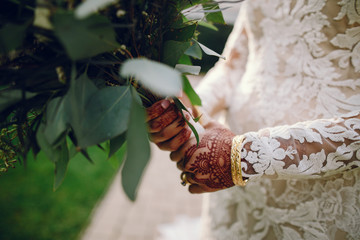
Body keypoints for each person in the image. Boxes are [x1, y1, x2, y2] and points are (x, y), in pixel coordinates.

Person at [147, 0, 360, 239]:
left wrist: (245, 155)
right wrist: (188, 115)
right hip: (233, 187)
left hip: (325, 194)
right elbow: (233, 67)